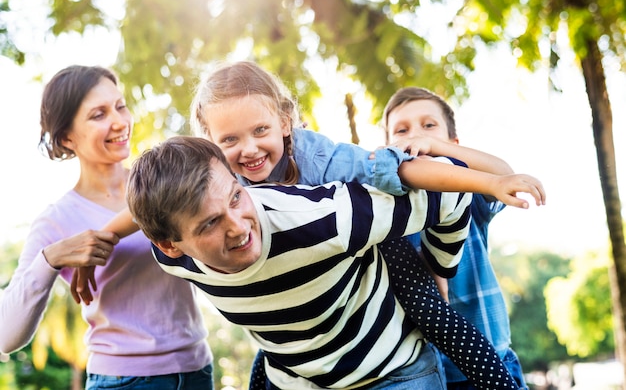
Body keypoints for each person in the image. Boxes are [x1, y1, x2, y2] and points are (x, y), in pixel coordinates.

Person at [74, 61, 545, 388]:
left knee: (435, 316)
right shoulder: (217, 174)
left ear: (285, 121)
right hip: (294, 292)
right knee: (279, 349)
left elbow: (395, 170)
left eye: (261, 131)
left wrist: (488, 182)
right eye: (231, 139)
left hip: (371, 246)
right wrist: (106, 237)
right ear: (212, 142)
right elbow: (152, 205)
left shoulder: (320, 155)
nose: (250, 150)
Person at [127, 135, 476, 389]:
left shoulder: (323, 219)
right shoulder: (173, 259)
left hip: (391, 374)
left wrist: (438, 269)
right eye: (210, 223)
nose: (237, 227)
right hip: (295, 382)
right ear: (172, 245)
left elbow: (452, 191)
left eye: (236, 197)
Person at [0, 66, 214, 390]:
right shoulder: (57, 219)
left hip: (198, 369)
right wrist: (51, 258)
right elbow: (6, 334)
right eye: (98, 114)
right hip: (122, 381)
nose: (119, 122)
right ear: (66, 138)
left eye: (120, 106)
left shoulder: (161, 184)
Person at [383, 86, 529, 389]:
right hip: (425, 376)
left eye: (428, 126)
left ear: (454, 143)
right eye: (401, 130)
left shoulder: (469, 193)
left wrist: (439, 149)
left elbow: (503, 176)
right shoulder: (386, 214)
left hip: (493, 360)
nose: (415, 136)